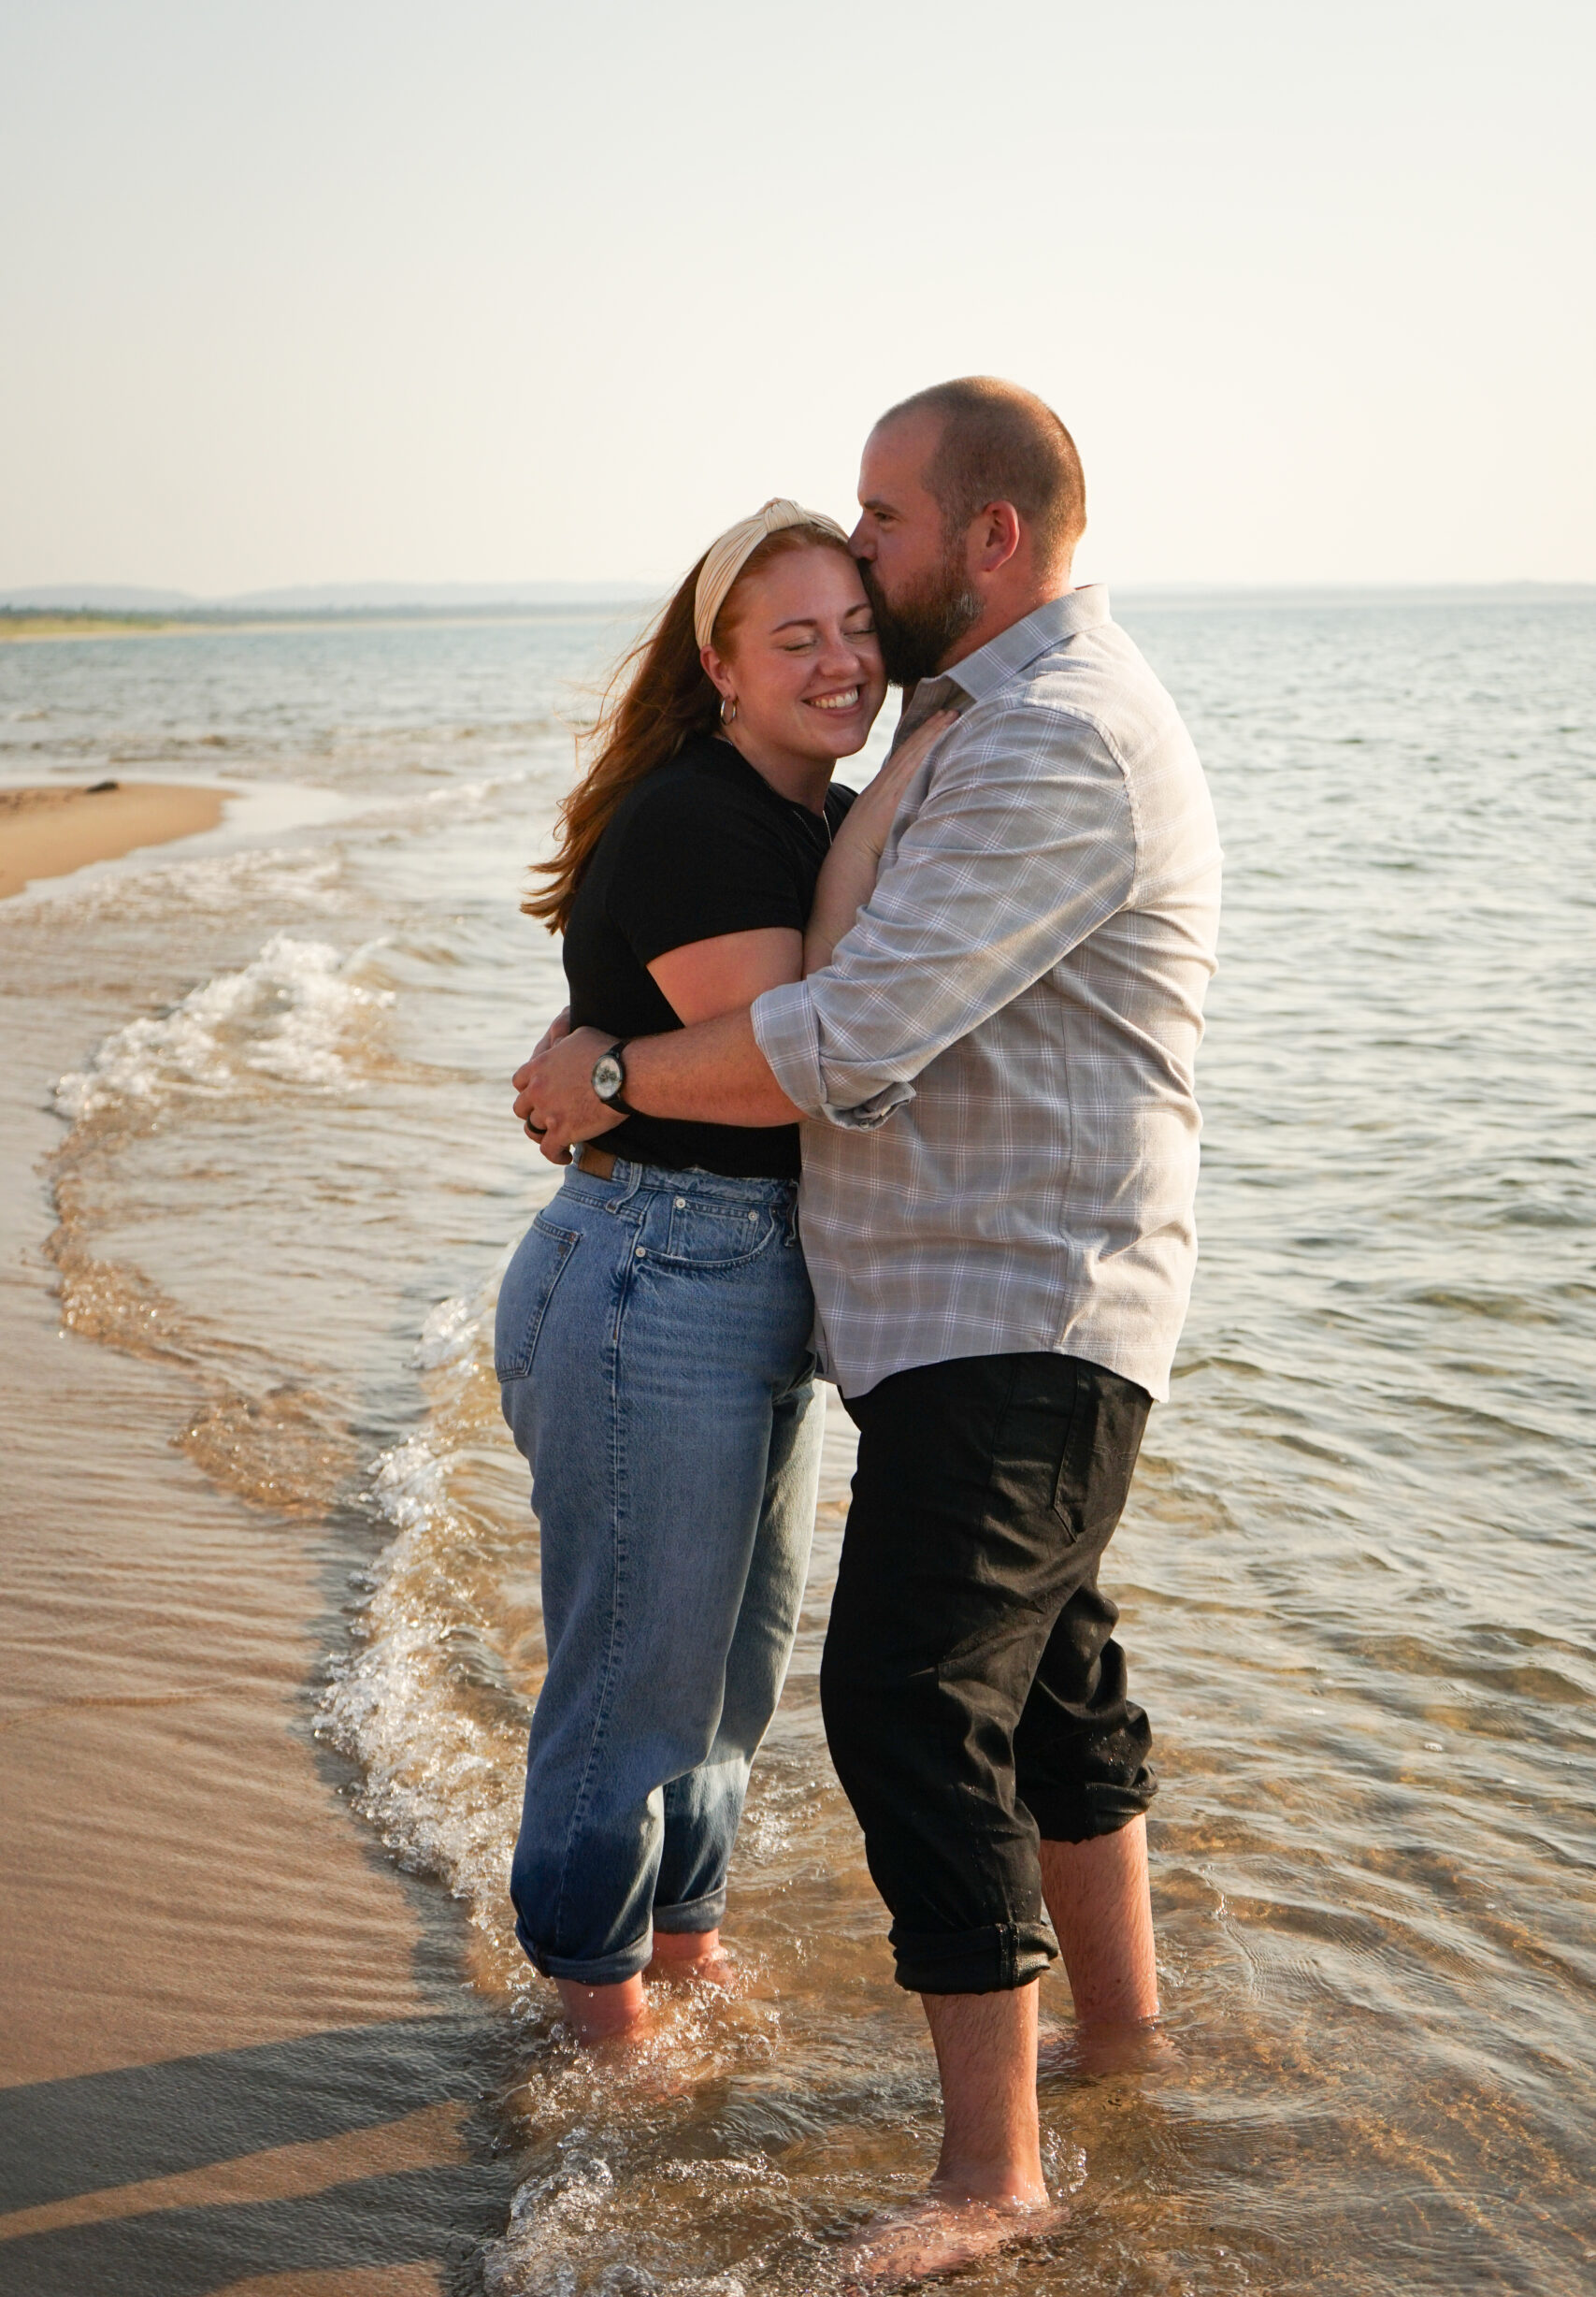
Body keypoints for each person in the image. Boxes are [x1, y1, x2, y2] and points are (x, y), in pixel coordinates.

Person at [511, 379, 1223, 2279]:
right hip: (963, 1306)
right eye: (808, 596)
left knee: (905, 1695)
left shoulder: (1045, 735)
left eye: (881, 528)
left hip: (1023, 1302)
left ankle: (994, 2170)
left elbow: (854, 1030)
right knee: (1043, 1674)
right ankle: (1119, 2030)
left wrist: (603, 1075)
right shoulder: (960, 716)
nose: (863, 568)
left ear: (982, 539)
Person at [497, 498, 941, 2051]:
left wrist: (601, 1068)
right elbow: (778, 1074)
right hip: (652, 1275)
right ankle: (594, 2011)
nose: (839, 662)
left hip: (742, 1277)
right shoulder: (705, 818)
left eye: (860, 630)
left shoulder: (807, 812)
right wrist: (612, 1079)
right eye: (795, 638)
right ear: (722, 669)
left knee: (735, 1674)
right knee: (641, 1676)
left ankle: (681, 1946)